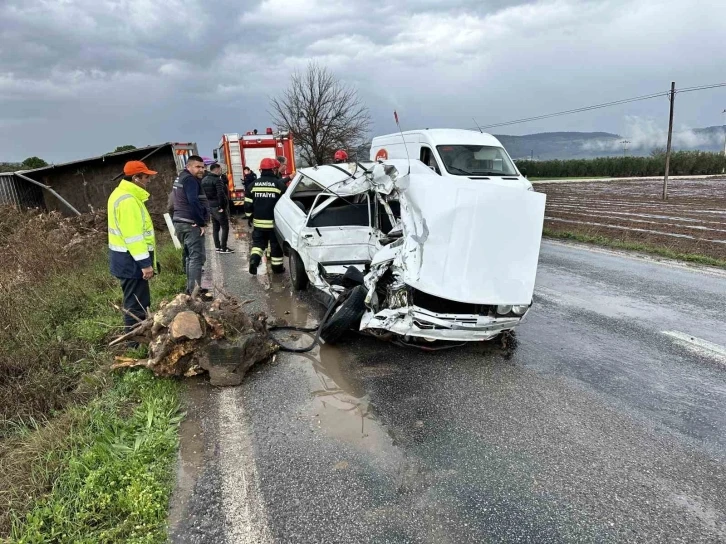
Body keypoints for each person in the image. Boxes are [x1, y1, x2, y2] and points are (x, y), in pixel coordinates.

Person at [108, 161, 157, 337]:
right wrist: (145, 264)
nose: (148, 180)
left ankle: (138, 339)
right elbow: (133, 237)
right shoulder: (128, 200)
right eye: (146, 177)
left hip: (126, 260)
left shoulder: (122, 194)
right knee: (136, 305)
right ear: (135, 178)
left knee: (137, 302)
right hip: (131, 262)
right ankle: (134, 345)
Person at [172, 155, 210, 295]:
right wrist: (200, 223)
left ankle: (190, 290)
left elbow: (172, 202)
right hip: (190, 223)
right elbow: (193, 201)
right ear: (188, 167)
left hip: (180, 222)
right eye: (197, 167)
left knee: (189, 257)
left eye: (202, 167)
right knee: (196, 257)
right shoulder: (190, 181)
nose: (201, 170)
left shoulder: (181, 178)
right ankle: (194, 293)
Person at [245, 157, 286, 275]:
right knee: (275, 245)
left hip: (258, 223)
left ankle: (254, 261)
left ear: (261, 170)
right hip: (274, 224)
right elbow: (286, 205)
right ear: (274, 169)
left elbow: (248, 205)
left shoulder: (252, 185)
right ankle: (277, 269)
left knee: (258, 245)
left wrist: (249, 217)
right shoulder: (279, 185)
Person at [202, 163, 234, 253]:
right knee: (225, 227)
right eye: (220, 170)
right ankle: (223, 247)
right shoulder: (217, 180)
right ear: (216, 170)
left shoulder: (204, 180)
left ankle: (217, 247)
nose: (220, 171)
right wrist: (222, 206)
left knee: (215, 228)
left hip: (210, 206)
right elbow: (220, 194)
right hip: (218, 206)